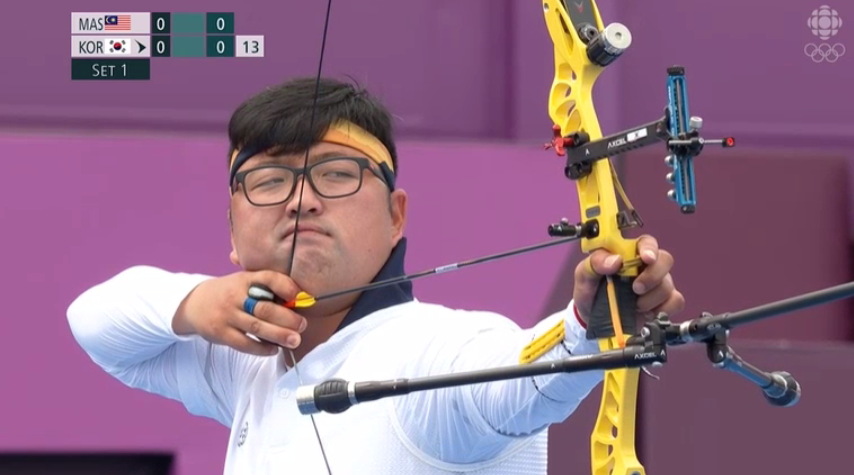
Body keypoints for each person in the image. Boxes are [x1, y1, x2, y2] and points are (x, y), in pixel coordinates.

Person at [67, 77, 684, 474]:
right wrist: (196, 301)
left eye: (337, 174)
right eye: (269, 180)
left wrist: (583, 329)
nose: (301, 201)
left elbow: (515, 383)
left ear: (395, 216)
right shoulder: (249, 362)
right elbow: (93, 321)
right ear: (232, 232)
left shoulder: (434, 349)